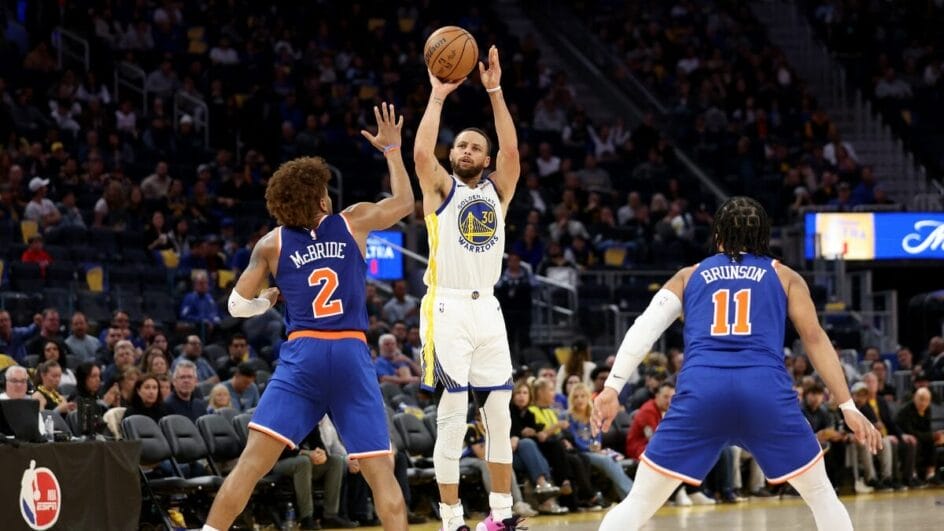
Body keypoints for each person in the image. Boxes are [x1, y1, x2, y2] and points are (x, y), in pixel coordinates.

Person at [594, 197, 882, 531]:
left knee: (639, 502)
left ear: (717, 237)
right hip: (764, 391)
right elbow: (816, 340)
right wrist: (847, 405)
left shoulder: (689, 275)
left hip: (702, 391)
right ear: (764, 237)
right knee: (821, 495)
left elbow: (644, 327)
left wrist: (612, 387)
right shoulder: (785, 276)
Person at [202, 102, 411, 531]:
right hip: (351, 352)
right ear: (320, 196)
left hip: (304, 356)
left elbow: (236, 306)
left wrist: (269, 299)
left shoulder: (271, 243)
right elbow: (405, 202)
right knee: (380, 474)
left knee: (250, 466)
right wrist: (392, 150)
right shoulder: (352, 221)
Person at [414, 45, 522, 531]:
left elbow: (513, 152)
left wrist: (495, 89)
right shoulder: (441, 189)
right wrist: (437, 97)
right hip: (447, 308)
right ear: (452, 154)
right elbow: (420, 153)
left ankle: (500, 517)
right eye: (461, 146)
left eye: (476, 147)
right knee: (453, 415)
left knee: (500, 414)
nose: (468, 151)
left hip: (489, 309)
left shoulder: (498, 190)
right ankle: (451, 519)